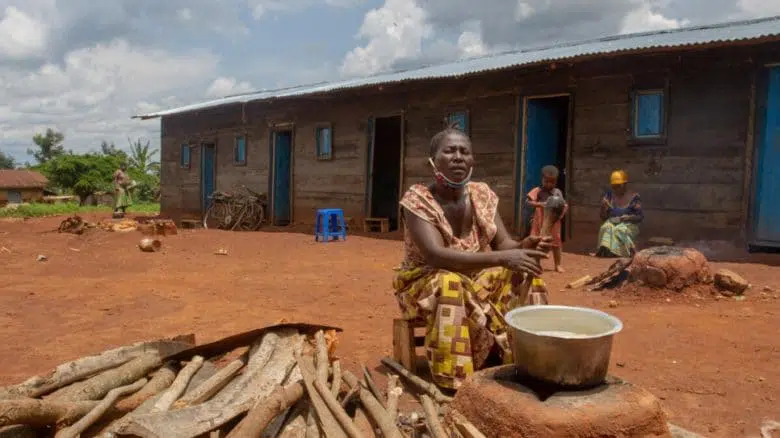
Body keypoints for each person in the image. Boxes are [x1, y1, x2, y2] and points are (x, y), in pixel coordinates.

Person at [393, 124, 551, 390]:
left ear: (472, 160)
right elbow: (436, 257)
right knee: (449, 283)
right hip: (423, 284)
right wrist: (504, 258)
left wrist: (523, 245)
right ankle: (454, 382)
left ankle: (533, 360)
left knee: (526, 274)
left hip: (476, 278)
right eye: (449, 151)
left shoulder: (481, 195)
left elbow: (503, 243)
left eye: (464, 152)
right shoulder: (417, 200)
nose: (458, 157)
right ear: (433, 161)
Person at [526, 165, 568, 273]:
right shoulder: (537, 190)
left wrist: (561, 211)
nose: (549, 184)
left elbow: (563, 205)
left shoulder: (558, 192)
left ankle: (557, 265)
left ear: (556, 182)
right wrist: (540, 204)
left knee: (556, 243)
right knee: (536, 241)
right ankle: (536, 263)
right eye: (546, 181)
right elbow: (528, 202)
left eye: (552, 182)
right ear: (542, 179)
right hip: (539, 220)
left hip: (554, 222)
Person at [595, 170, 643, 257]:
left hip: (629, 224)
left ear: (625, 185)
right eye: (614, 186)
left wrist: (628, 218)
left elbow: (640, 217)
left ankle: (622, 253)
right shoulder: (609, 196)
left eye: (618, 186)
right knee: (605, 227)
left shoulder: (634, 197)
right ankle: (606, 251)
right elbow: (603, 217)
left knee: (619, 230)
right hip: (612, 223)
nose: (616, 189)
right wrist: (603, 208)